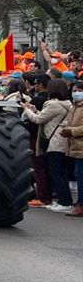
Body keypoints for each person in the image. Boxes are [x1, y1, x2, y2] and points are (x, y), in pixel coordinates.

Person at [22, 78, 73, 212]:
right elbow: (47, 118)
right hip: (64, 141)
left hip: (55, 142)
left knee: (56, 173)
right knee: (61, 173)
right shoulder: (68, 104)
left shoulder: (53, 104)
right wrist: (36, 110)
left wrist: (27, 110)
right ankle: (63, 200)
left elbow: (37, 120)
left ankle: (65, 202)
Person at [59, 80, 83, 217]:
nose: (77, 93)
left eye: (79, 90)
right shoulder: (74, 106)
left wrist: (72, 131)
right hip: (75, 146)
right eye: (74, 90)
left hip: (80, 146)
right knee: (78, 174)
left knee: (80, 175)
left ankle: (81, 205)